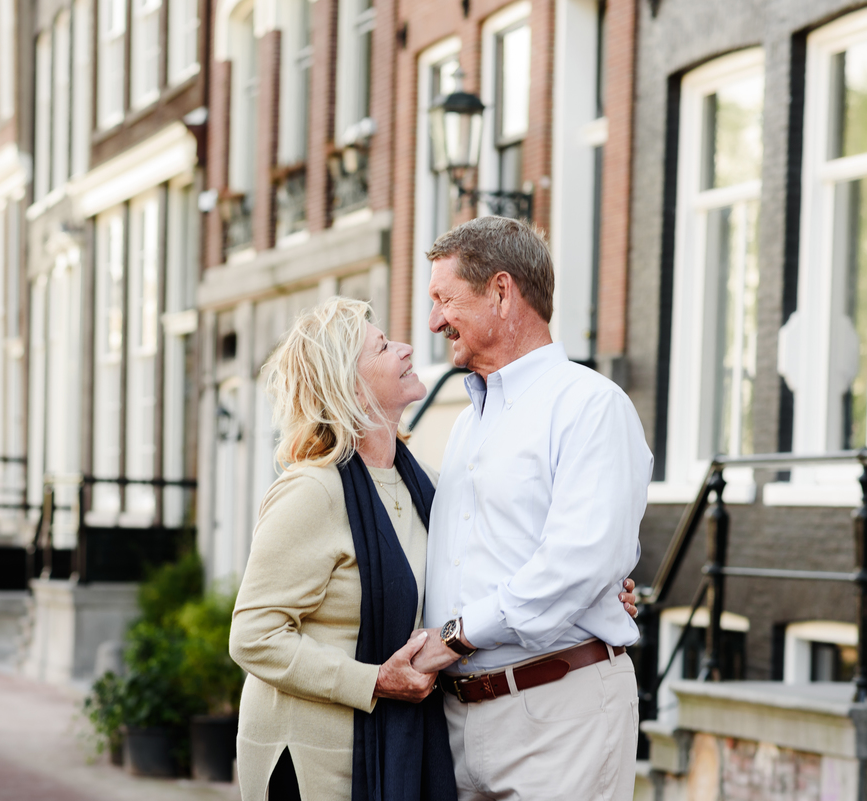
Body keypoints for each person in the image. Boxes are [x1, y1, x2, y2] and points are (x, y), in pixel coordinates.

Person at [228, 297, 640, 801]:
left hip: (391, 754)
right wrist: (373, 680)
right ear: (349, 385)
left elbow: (482, 559)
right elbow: (252, 635)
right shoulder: (311, 492)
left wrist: (597, 589)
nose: (406, 349)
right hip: (313, 759)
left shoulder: (423, 485)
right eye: (382, 347)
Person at [410, 216, 653, 801]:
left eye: (445, 299)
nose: (434, 321)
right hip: (459, 721)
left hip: (559, 714)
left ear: (500, 291)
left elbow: (578, 561)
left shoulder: (590, 405)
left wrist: (456, 636)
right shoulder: (469, 420)